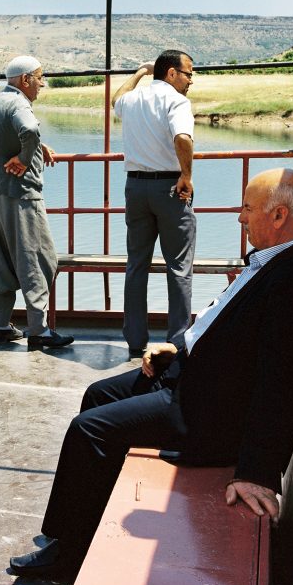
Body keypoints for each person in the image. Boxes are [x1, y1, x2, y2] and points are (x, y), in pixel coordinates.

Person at [8, 168, 293, 584]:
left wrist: (257, 471)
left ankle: (68, 561)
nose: (240, 218)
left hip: (206, 410)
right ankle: (67, 531)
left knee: (89, 430)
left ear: (279, 215)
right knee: (96, 395)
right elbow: (218, 321)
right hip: (186, 372)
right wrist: (176, 346)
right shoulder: (276, 262)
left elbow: (283, 381)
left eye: (248, 209)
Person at [0, 55, 73, 349]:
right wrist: (24, 156)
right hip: (20, 196)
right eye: (40, 78)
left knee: (1, 261)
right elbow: (28, 129)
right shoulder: (20, 103)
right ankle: (39, 331)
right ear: (25, 80)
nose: (42, 84)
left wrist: (35, 147)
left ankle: (0, 326)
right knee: (39, 259)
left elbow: (15, 134)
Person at [111, 49, 196, 358]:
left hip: (135, 187)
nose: (190, 81)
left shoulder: (133, 99)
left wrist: (139, 72)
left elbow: (115, 100)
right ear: (171, 74)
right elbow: (183, 138)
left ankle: (135, 340)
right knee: (178, 268)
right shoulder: (177, 101)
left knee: (136, 265)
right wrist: (186, 175)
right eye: (188, 73)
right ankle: (177, 342)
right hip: (170, 188)